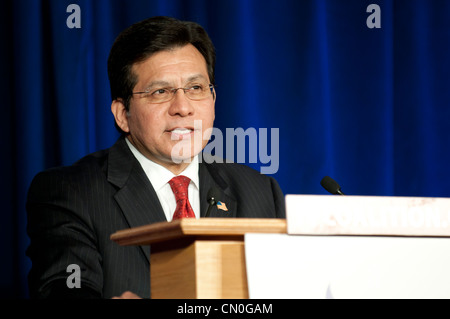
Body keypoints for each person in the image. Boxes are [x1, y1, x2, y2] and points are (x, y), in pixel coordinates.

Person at [26, 16, 285, 299]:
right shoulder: (71, 192)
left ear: (213, 98)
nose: (183, 108)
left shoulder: (260, 192)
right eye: (160, 92)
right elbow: (65, 287)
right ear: (122, 114)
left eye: (196, 88)